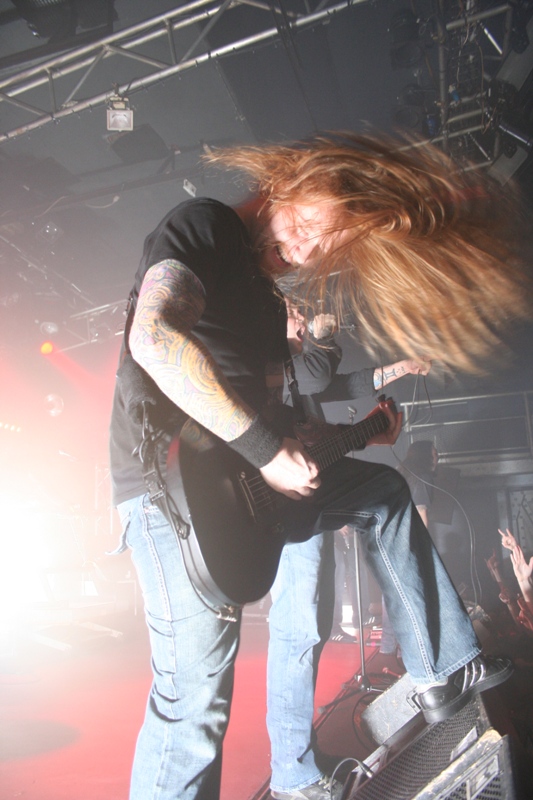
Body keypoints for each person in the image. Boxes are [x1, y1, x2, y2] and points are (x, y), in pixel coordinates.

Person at [109, 132, 529, 800]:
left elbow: (281, 423)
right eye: (304, 224)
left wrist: (358, 436)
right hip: (173, 490)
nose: (303, 249)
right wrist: (266, 450)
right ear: (288, 180)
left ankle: (441, 669)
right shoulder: (206, 226)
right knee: (193, 707)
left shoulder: (264, 299)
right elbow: (154, 337)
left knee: (383, 494)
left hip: (239, 483)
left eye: (321, 245)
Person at [266, 307, 431, 797]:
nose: (302, 316)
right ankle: (291, 772)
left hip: (309, 505)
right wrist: (321, 334)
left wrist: (403, 367)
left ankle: (299, 755)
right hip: (284, 509)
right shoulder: (280, 368)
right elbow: (321, 374)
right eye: (293, 313)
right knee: (298, 630)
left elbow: (353, 383)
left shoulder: (300, 376)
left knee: (313, 628)